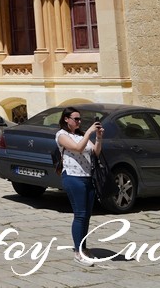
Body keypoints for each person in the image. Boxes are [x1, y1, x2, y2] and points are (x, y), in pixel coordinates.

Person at [57, 107, 104, 265]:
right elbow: (77, 148)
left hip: (88, 177)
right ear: (66, 119)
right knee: (80, 214)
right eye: (76, 119)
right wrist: (89, 132)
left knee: (87, 216)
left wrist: (98, 138)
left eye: (80, 119)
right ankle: (78, 252)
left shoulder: (80, 135)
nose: (79, 121)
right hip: (72, 177)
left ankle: (83, 248)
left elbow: (95, 152)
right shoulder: (61, 135)